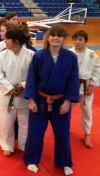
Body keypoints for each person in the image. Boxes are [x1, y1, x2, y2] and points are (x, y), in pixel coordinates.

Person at [23, 25, 79, 175]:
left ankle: (64, 162)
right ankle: (32, 159)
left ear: (63, 39)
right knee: (35, 132)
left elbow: (73, 81)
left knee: (62, 134)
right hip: (40, 101)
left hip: (61, 102)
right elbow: (31, 78)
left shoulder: (71, 57)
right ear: (48, 37)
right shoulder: (39, 56)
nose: (55, 38)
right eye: (53, 35)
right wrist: (30, 99)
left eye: (59, 36)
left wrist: (68, 101)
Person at [0, 26, 35, 156]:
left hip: (24, 93)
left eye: (7, 39)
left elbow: (35, 75)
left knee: (25, 122)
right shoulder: (3, 55)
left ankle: (24, 145)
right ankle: (6, 145)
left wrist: (23, 85)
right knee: (6, 121)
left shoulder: (31, 55)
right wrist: (10, 88)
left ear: (16, 41)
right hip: (7, 94)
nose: (5, 41)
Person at [69, 30, 100, 148]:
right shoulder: (68, 53)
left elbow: (96, 70)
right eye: (75, 39)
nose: (77, 42)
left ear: (85, 41)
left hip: (86, 86)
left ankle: (87, 134)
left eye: (80, 39)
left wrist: (92, 85)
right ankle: (65, 127)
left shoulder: (92, 55)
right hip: (71, 86)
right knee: (66, 108)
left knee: (87, 110)